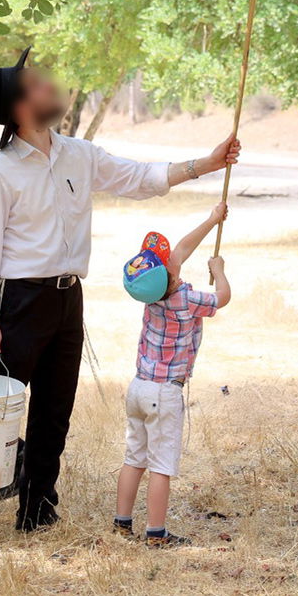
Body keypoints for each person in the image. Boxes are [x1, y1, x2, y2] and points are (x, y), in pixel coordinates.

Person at [0, 47, 241, 537]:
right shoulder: (0, 175)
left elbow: (140, 178)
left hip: (67, 298)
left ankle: (36, 510)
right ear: (18, 107)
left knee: (55, 410)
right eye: (36, 84)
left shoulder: (79, 154)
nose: (48, 87)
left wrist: (207, 162)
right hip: (18, 302)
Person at [113, 204, 232, 547]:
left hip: (138, 388)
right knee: (161, 465)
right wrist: (219, 269)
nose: (174, 260)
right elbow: (222, 298)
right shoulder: (186, 299)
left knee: (134, 458)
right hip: (164, 393)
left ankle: (122, 523)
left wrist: (212, 220)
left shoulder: (151, 296)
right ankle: (156, 533)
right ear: (171, 274)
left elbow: (179, 251)